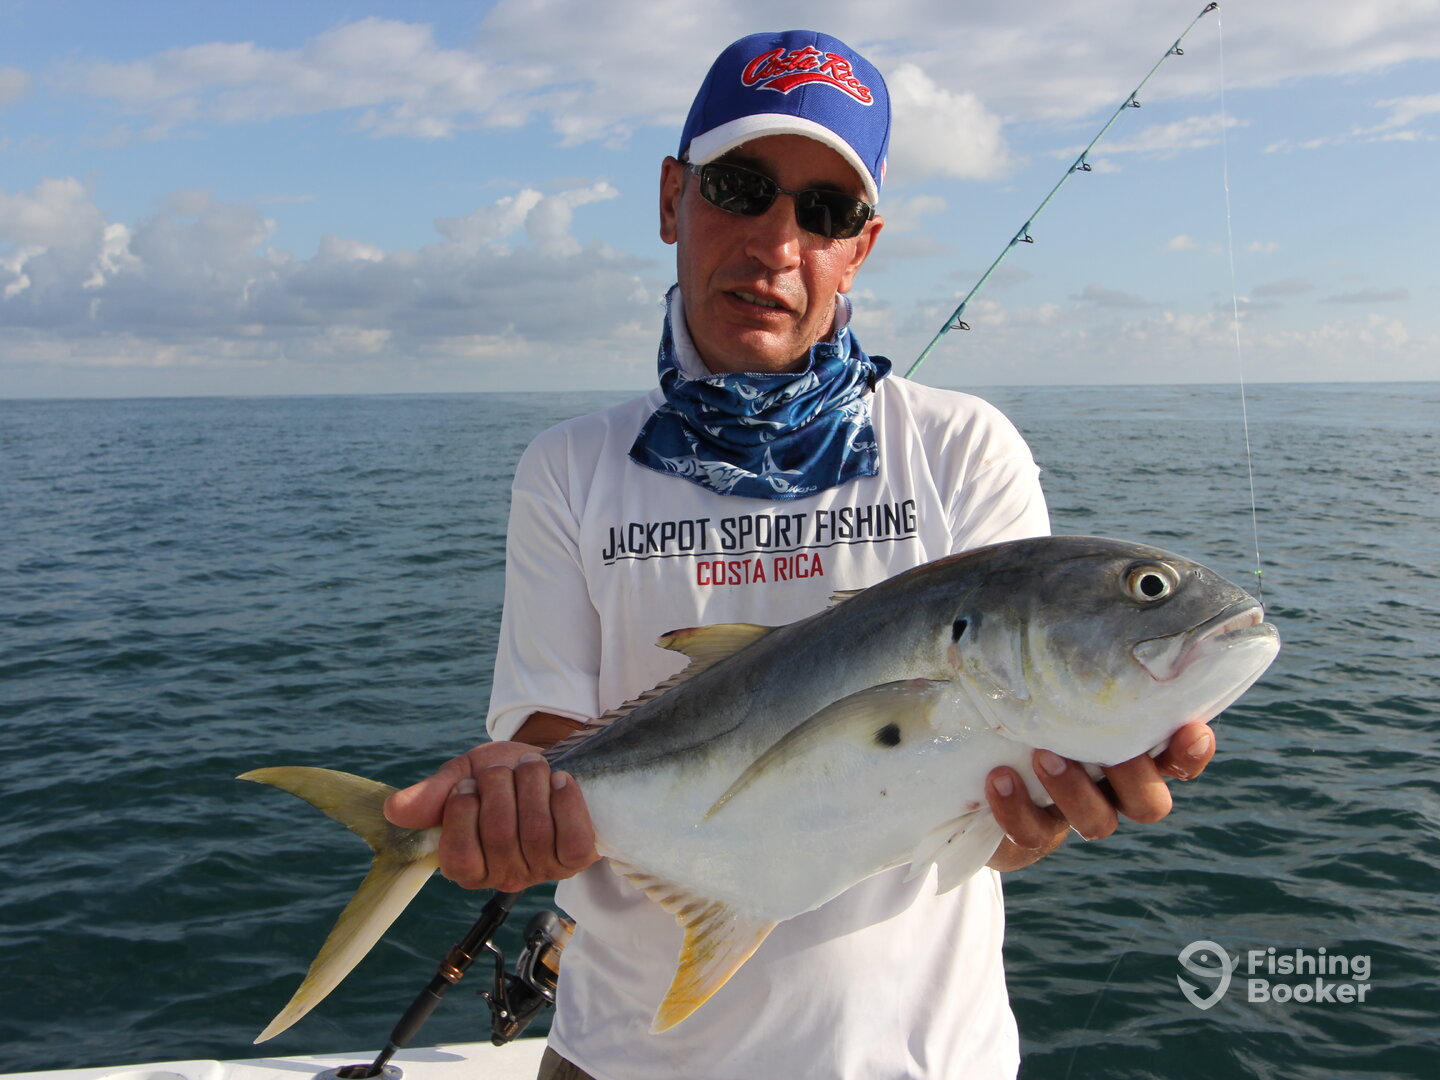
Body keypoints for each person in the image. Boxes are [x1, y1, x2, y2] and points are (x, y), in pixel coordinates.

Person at [385, 30, 1216, 1080]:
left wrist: (1048, 812)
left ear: (860, 247)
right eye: (741, 188)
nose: (777, 243)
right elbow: (550, 745)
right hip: (622, 1058)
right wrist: (520, 816)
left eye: (825, 212)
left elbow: (992, 832)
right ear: (671, 199)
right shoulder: (571, 469)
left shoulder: (962, 450)